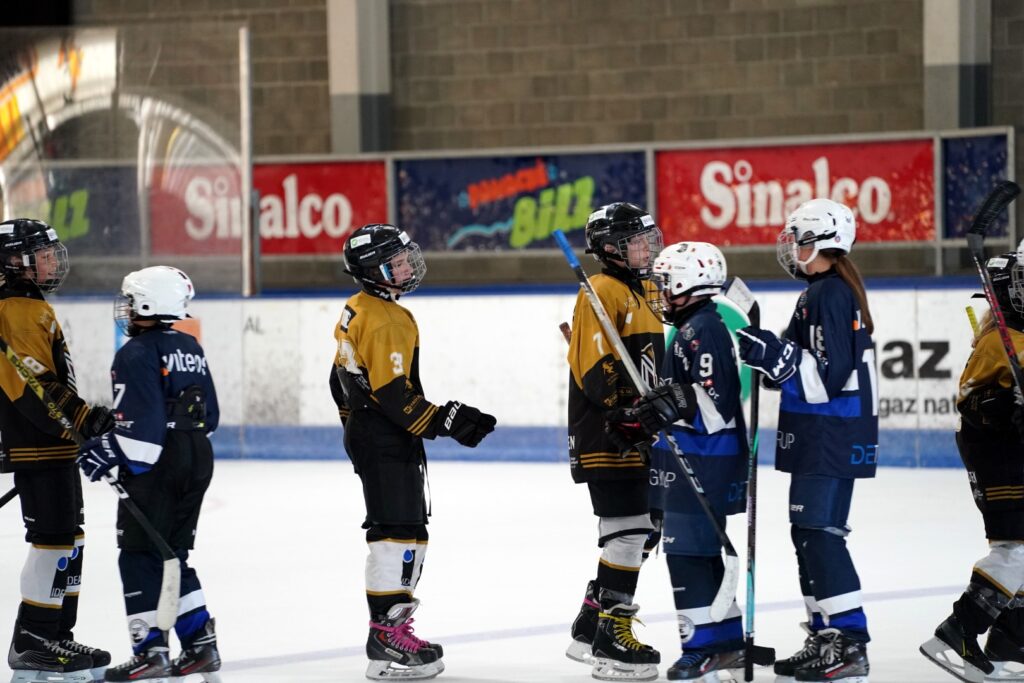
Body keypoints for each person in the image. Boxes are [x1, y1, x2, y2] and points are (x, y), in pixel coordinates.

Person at [330, 223, 496, 681]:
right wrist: (446, 421)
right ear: (372, 270)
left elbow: (338, 382)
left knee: (404, 529)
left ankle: (390, 631)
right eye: (397, 262)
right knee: (397, 533)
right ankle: (387, 637)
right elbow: (394, 396)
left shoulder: (358, 306)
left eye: (406, 259)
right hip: (384, 436)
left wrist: (358, 428)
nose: (407, 267)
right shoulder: (386, 319)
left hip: (375, 433)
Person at [736, 198, 877, 682]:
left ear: (821, 241)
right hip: (824, 432)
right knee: (808, 534)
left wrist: (778, 358)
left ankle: (848, 640)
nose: (791, 246)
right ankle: (824, 634)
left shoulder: (828, 295)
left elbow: (827, 380)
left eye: (798, 238)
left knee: (819, 534)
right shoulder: (820, 293)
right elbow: (801, 367)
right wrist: (771, 357)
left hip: (831, 433)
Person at [75, 265, 221, 682]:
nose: (125, 307)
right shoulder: (189, 345)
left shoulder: (135, 353)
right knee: (172, 553)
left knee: (140, 555)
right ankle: (200, 644)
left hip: (159, 467)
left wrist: (104, 450)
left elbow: (142, 444)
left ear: (147, 303)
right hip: (197, 456)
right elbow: (209, 417)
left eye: (130, 299)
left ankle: (150, 651)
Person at [0, 218, 114, 683]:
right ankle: (34, 639)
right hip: (36, 444)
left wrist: (79, 422)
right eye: (43, 255)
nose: (52, 262)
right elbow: (32, 383)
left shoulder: (30, 304)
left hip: (54, 442)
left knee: (70, 536)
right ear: (16, 261)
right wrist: (82, 417)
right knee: (52, 538)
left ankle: (57, 635)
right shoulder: (16, 308)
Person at [564, 202, 666, 682]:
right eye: (635, 242)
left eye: (647, 239)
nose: (647, 249)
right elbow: (594, 370)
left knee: (646, 528)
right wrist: (628, 410)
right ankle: (612, 635)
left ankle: (590, 625)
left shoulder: (644, 290)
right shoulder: (601, 290)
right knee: (627, 530)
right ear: (609, 249)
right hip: (610, 432)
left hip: (641, 430)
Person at [641, 242, 748, 681]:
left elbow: (716, 408)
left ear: (689, 283)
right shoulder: (693, 327)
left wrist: (673, 401)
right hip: (693, 458)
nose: (660, 290)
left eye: (666, 282)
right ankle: (726, 644)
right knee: (699, 552)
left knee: (686, 554)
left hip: (704, 460)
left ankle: (702, 647)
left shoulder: (702, 329)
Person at [920, 252, 1024, 683]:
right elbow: (970, 400)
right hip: (997, 456)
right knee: (1016, 551)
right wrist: (1007, 407)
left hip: (1012, 453)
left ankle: (1010, 640)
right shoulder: (1000, 340)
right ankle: (958, 631)